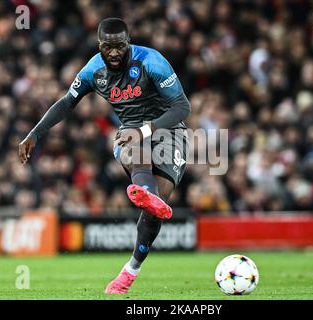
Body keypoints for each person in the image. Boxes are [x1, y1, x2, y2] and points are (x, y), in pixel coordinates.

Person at [18, 18, 190, 294]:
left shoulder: (151, 61)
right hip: (130, 132)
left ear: (128, 42)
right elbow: (66, 103)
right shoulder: (93, 70)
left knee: (155, 209)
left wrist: (146, 130)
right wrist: (35, 133)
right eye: (107, 47)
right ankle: (147, 193)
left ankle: (130, 268)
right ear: (99, 45)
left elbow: (182, 107)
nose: (113, 53)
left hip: (169, 130)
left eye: (120, 46)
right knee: (133, 146)